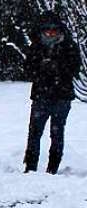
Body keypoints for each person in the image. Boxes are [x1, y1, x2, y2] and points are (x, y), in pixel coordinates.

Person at [23, 14, 82, 174]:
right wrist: (43, 68)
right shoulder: (36, 47)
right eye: (47, 31)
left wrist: (57, 68)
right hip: (41, 95)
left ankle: (52, 169)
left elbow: (75, 68)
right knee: (35, 133)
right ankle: (30, 168)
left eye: (54, 31)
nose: (50, 34)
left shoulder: (68, 46)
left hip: (61, 96)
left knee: (56, 133)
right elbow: (27, 70)